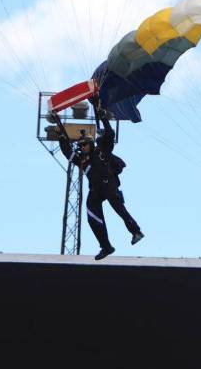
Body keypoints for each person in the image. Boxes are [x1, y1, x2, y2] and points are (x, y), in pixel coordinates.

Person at [53, 105, 144, 260]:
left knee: (119, 209)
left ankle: (136, 231)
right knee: (92, 215)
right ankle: (106, 246)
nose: (82, 147)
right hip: (96, 190)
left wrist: (104, 118)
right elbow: (68, 153)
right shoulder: (82, 160)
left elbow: (110, 134)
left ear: (90, 144)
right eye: (80, 145)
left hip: (109, 185)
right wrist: (61, 136)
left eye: (84, 144)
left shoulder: (102, 151)